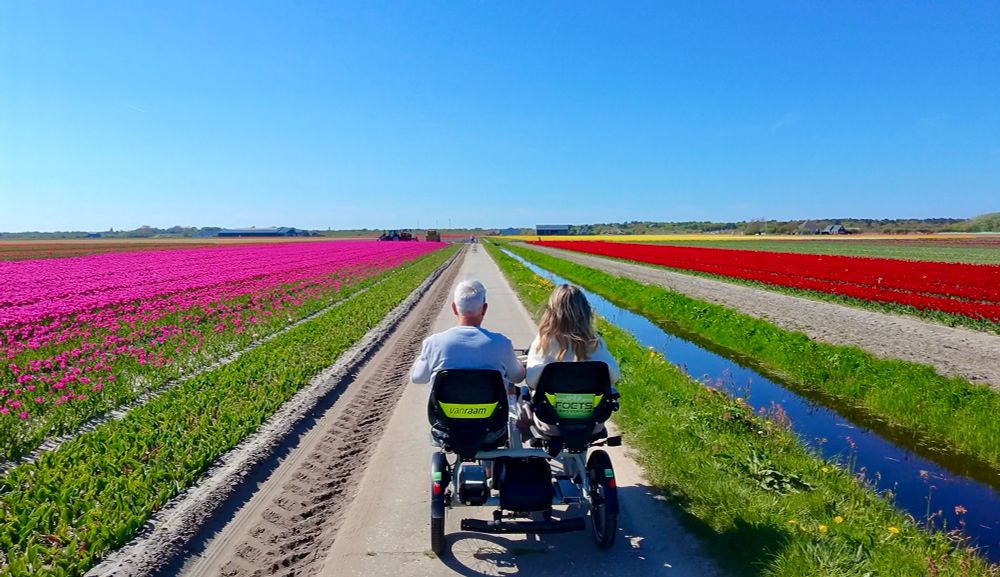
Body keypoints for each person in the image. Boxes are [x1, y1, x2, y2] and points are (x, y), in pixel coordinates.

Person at [522, 284, 620, 438]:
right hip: (591, 423)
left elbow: (532, 381)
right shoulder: (596, 344)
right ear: (586, 312)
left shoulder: (543, 342)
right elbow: (614, 376)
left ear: (551, 313)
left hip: (550, 423)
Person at [411, 279, 526, 387]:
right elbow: (517, 377)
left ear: (454, 308)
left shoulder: (434, 343)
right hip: (493, 409)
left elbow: (418, 378)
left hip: (445, 408)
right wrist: (519, 363)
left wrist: (421, 359)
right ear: (484, 309)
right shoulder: (502, 343)